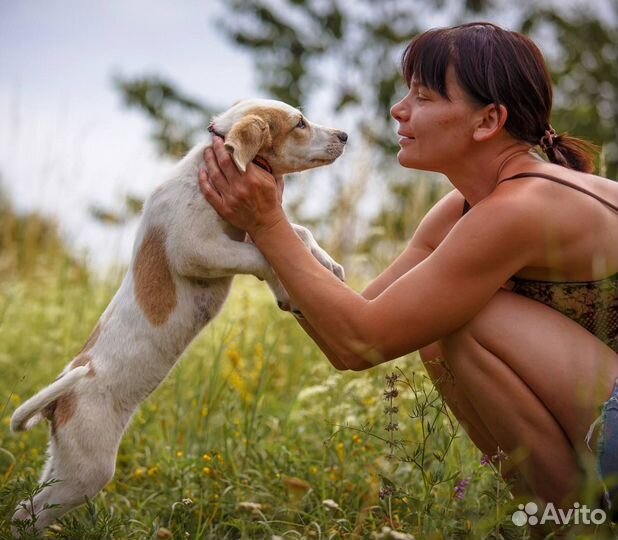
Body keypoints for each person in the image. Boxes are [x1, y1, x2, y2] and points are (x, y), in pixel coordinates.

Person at [199, 22, 618, 518]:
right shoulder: (465, 209)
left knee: (466, 322)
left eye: (422, 96)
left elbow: (360, 341)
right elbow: (347, 331)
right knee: (436, 335)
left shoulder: (520, 208)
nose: (399, 110)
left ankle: (572, 525)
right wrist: (273, 235)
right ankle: (553, 519)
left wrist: (269, 225)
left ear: (487, 121)